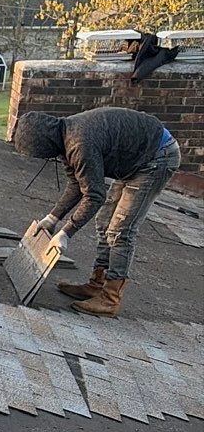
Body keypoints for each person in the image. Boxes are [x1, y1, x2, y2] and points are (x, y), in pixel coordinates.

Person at [12, 106, 181, 317]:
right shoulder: (64, 134)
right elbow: (77, 184)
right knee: (104, 222)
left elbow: (94, 195)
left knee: (120, 229)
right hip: (138, 156)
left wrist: (66, 233)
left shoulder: (80, 143)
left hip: (157, 157)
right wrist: (52, 218)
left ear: (45, 144)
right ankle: (97, 283)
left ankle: (110, 299)